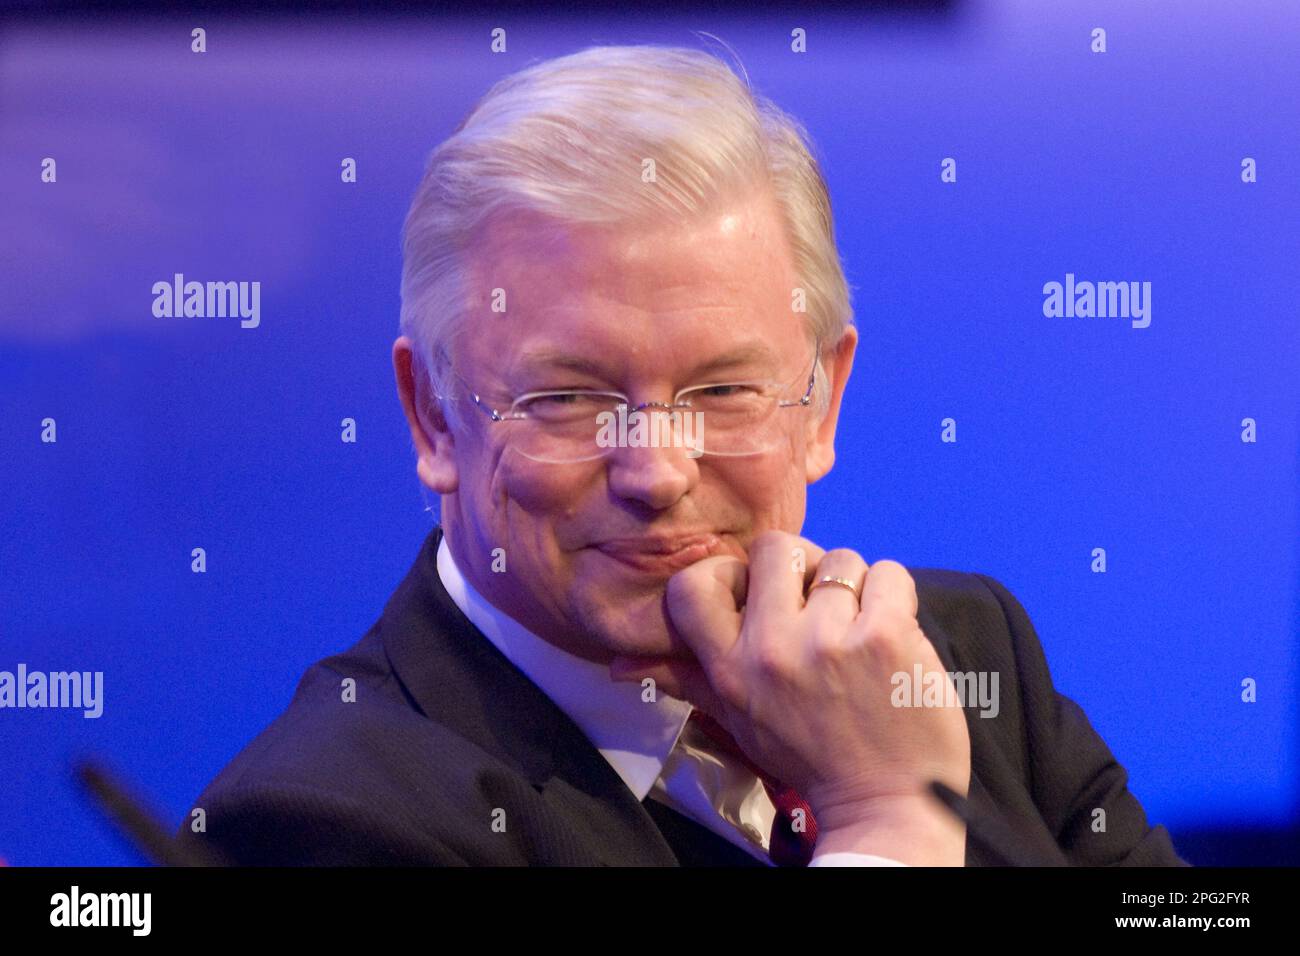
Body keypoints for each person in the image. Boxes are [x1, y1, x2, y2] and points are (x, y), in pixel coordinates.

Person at [178, 44, 1186, 867]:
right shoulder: (323, 819)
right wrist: (888, 825)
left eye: (720, 391)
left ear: (821, 401)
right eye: (567, 397)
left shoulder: (964, 655)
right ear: (434, 419)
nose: (655, 472)